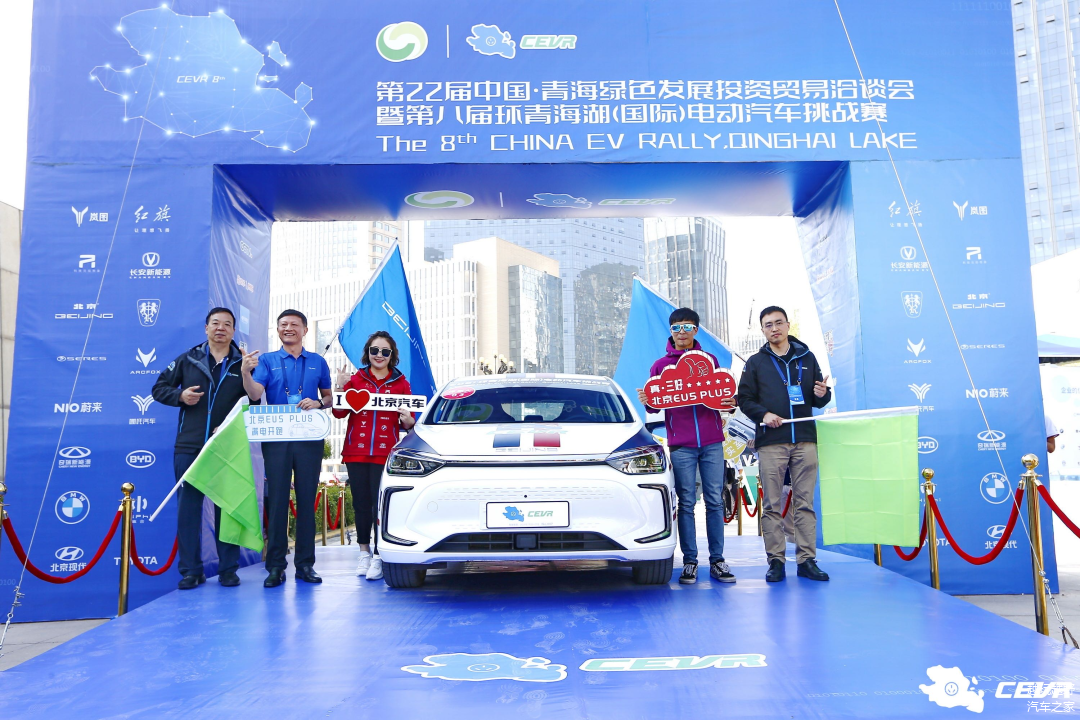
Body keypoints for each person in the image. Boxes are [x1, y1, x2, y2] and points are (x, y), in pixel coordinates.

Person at [152, 308, 255, 589]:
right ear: (206, 328)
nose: (221, 328)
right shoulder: (188, 359)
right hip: (189, 445)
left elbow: (255, 401)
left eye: (227, 324)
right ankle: (191, 571)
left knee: (228, 509)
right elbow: (158, 388)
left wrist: (246, 375)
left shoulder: (243, 363)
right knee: (188, 510)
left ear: (234, 331)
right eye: (215, 323)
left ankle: (228, 569)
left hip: (227, 447)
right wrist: (180, 395)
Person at [636, 308, 736, 585]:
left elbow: (722, 395)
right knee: (686, 503)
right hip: (681, 444)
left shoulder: (710, 360)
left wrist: (731, 402)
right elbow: (654, 406)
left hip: (712, 441)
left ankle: (717, 560)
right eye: (677, 327)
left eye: (687, 327)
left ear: (696, 330)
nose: (682, 332)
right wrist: (647, 401)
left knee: (715, 500)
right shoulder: (659, 366)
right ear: (671, 331)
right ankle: (689, 561)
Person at [737, 306, 832, 583]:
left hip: (804, 438)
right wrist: (764, 414)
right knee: (772, 504)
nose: (774, 328)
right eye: (768, 325)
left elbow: (820, 399)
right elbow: (744, 399)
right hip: (771, 441)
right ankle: (776, 561)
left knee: (805, 503)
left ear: (788, 325)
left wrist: (823, 393)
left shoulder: (807, 357)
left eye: (779, 322)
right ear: (763, 330)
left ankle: (807, 560)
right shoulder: (755, 362)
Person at [242, 310, 333, 588]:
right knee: (278, 502)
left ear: (305, 330)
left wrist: (318, 403)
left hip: (309, 439)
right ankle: (275, 566)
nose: (288, 328)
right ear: (278, 330)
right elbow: (255, 394)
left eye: (294, 324)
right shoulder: (267, 360)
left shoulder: (318, 361)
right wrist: (245, 372)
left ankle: (305, 565)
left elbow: (329, 397)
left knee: (306, 501)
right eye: (283, 324)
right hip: (277, 439)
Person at [332, 331, 415, 581]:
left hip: (384, 453)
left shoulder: (401, 384)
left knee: (381, 506)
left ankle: (379, 555)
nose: (379, 355)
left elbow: (409, 422)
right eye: (374, 350)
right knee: (361, 504)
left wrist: (408, 420)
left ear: (392, 355)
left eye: (385, 351)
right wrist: (340, 386)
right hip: (355, 452)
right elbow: (338, 413)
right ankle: (363, 553)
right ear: (367, 353)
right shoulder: (355, 380)